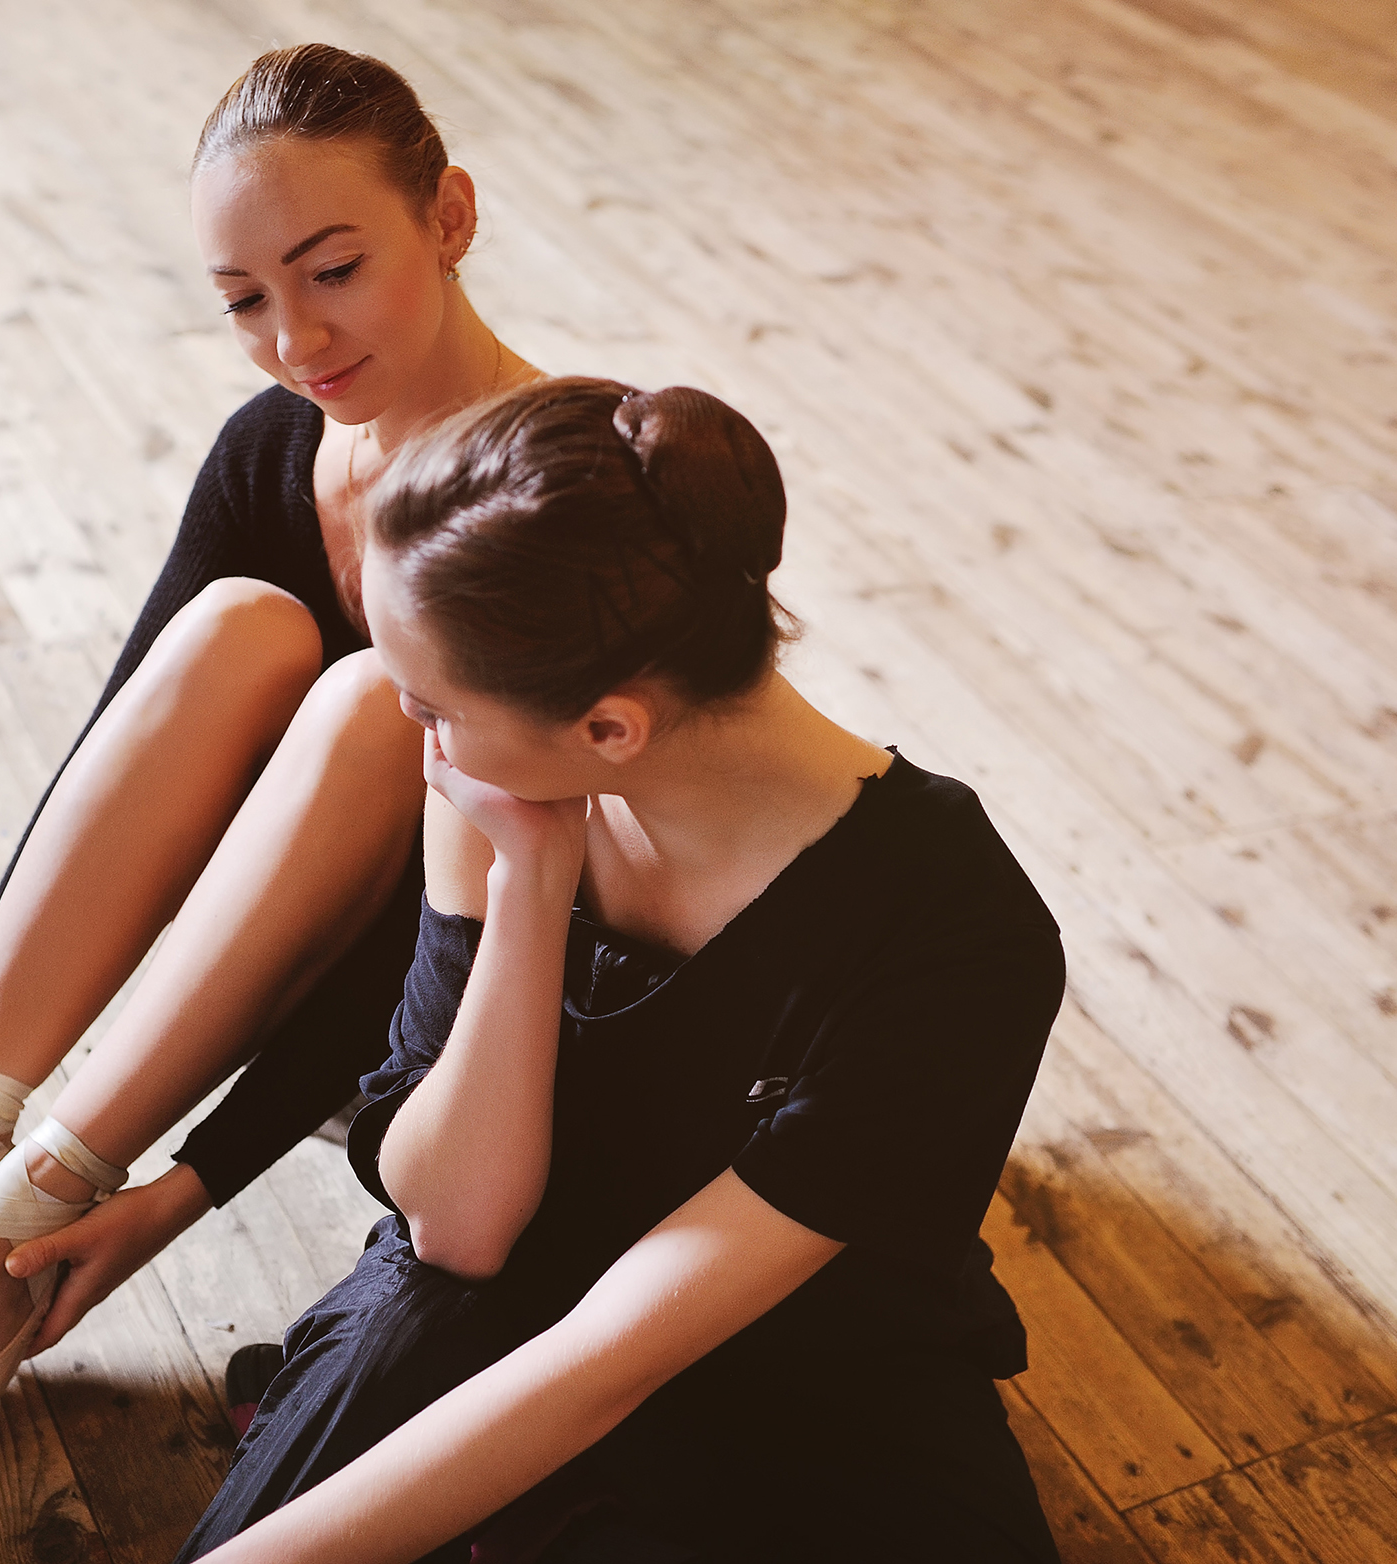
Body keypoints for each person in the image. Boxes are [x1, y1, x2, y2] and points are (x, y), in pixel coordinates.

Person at [0, 43, 541, 1494]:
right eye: (246, 300)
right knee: (239, 628)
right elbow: (111, 760)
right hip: (266, 946)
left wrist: (175, 1196)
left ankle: (33, 1206)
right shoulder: (277, 447)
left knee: (383, 699)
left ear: (449, 217)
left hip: (487, 1029)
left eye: (334, 270)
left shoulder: (537, 504)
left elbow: (451, 956)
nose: (297, 338)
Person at [167, 377, 1067, 1562]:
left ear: (606, 728)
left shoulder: (955, 933)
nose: (404, 720)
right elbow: (460, 1227)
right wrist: (529, 885)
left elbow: (613, 1358)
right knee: (404, 1349)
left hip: (805, 1362)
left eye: (428, 699)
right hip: (477, 1298)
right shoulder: (502, 786)